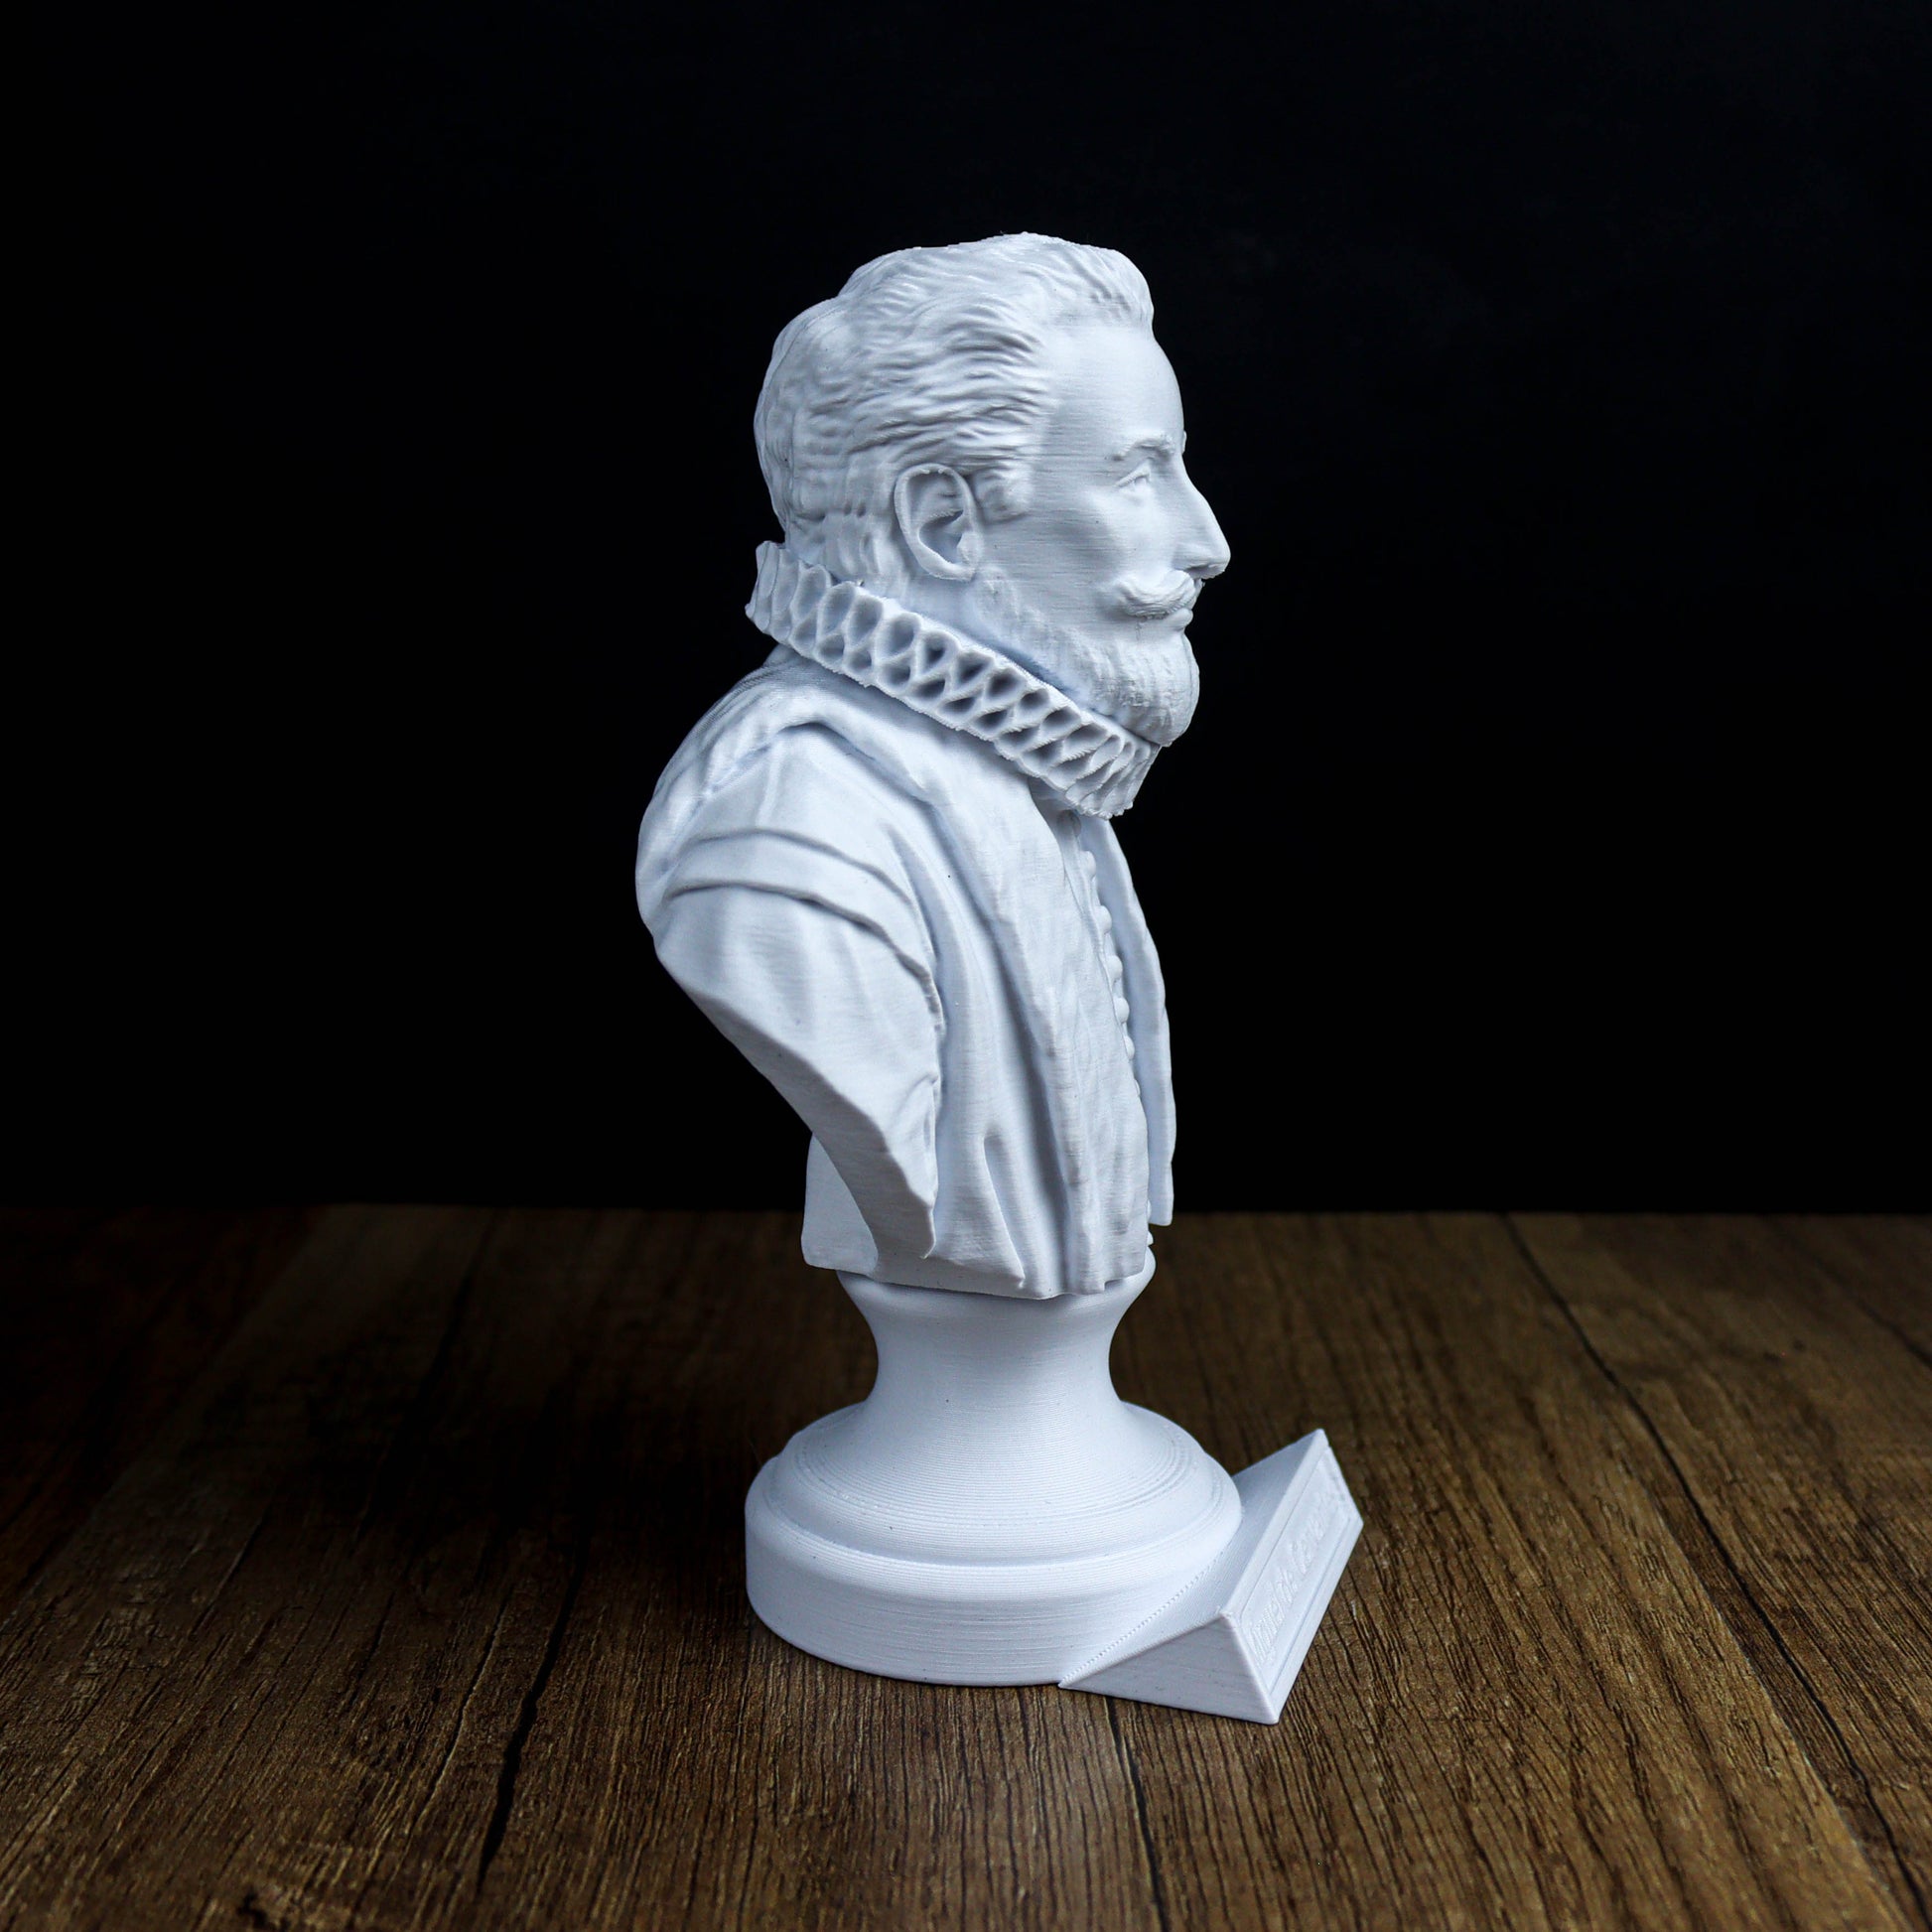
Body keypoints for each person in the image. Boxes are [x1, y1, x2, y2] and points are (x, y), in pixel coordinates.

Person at [636, 234, 1230, 1299]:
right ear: (941, 521)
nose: (1206, 539)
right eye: (1139, 474)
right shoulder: (791, 822)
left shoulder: (1037, 775)